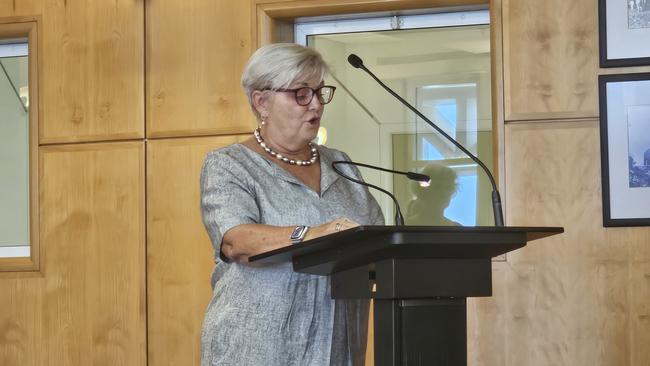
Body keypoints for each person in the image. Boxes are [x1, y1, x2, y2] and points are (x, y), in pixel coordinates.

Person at [199, 43, 384, 366]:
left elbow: (376, 238)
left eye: (319, 92)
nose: (315, 104)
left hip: (336, 348)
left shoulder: (340, 164)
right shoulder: (229, 164)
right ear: (262, 102)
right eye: (300, 93)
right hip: (257, 348)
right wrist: (313, 234)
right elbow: (236, 241)